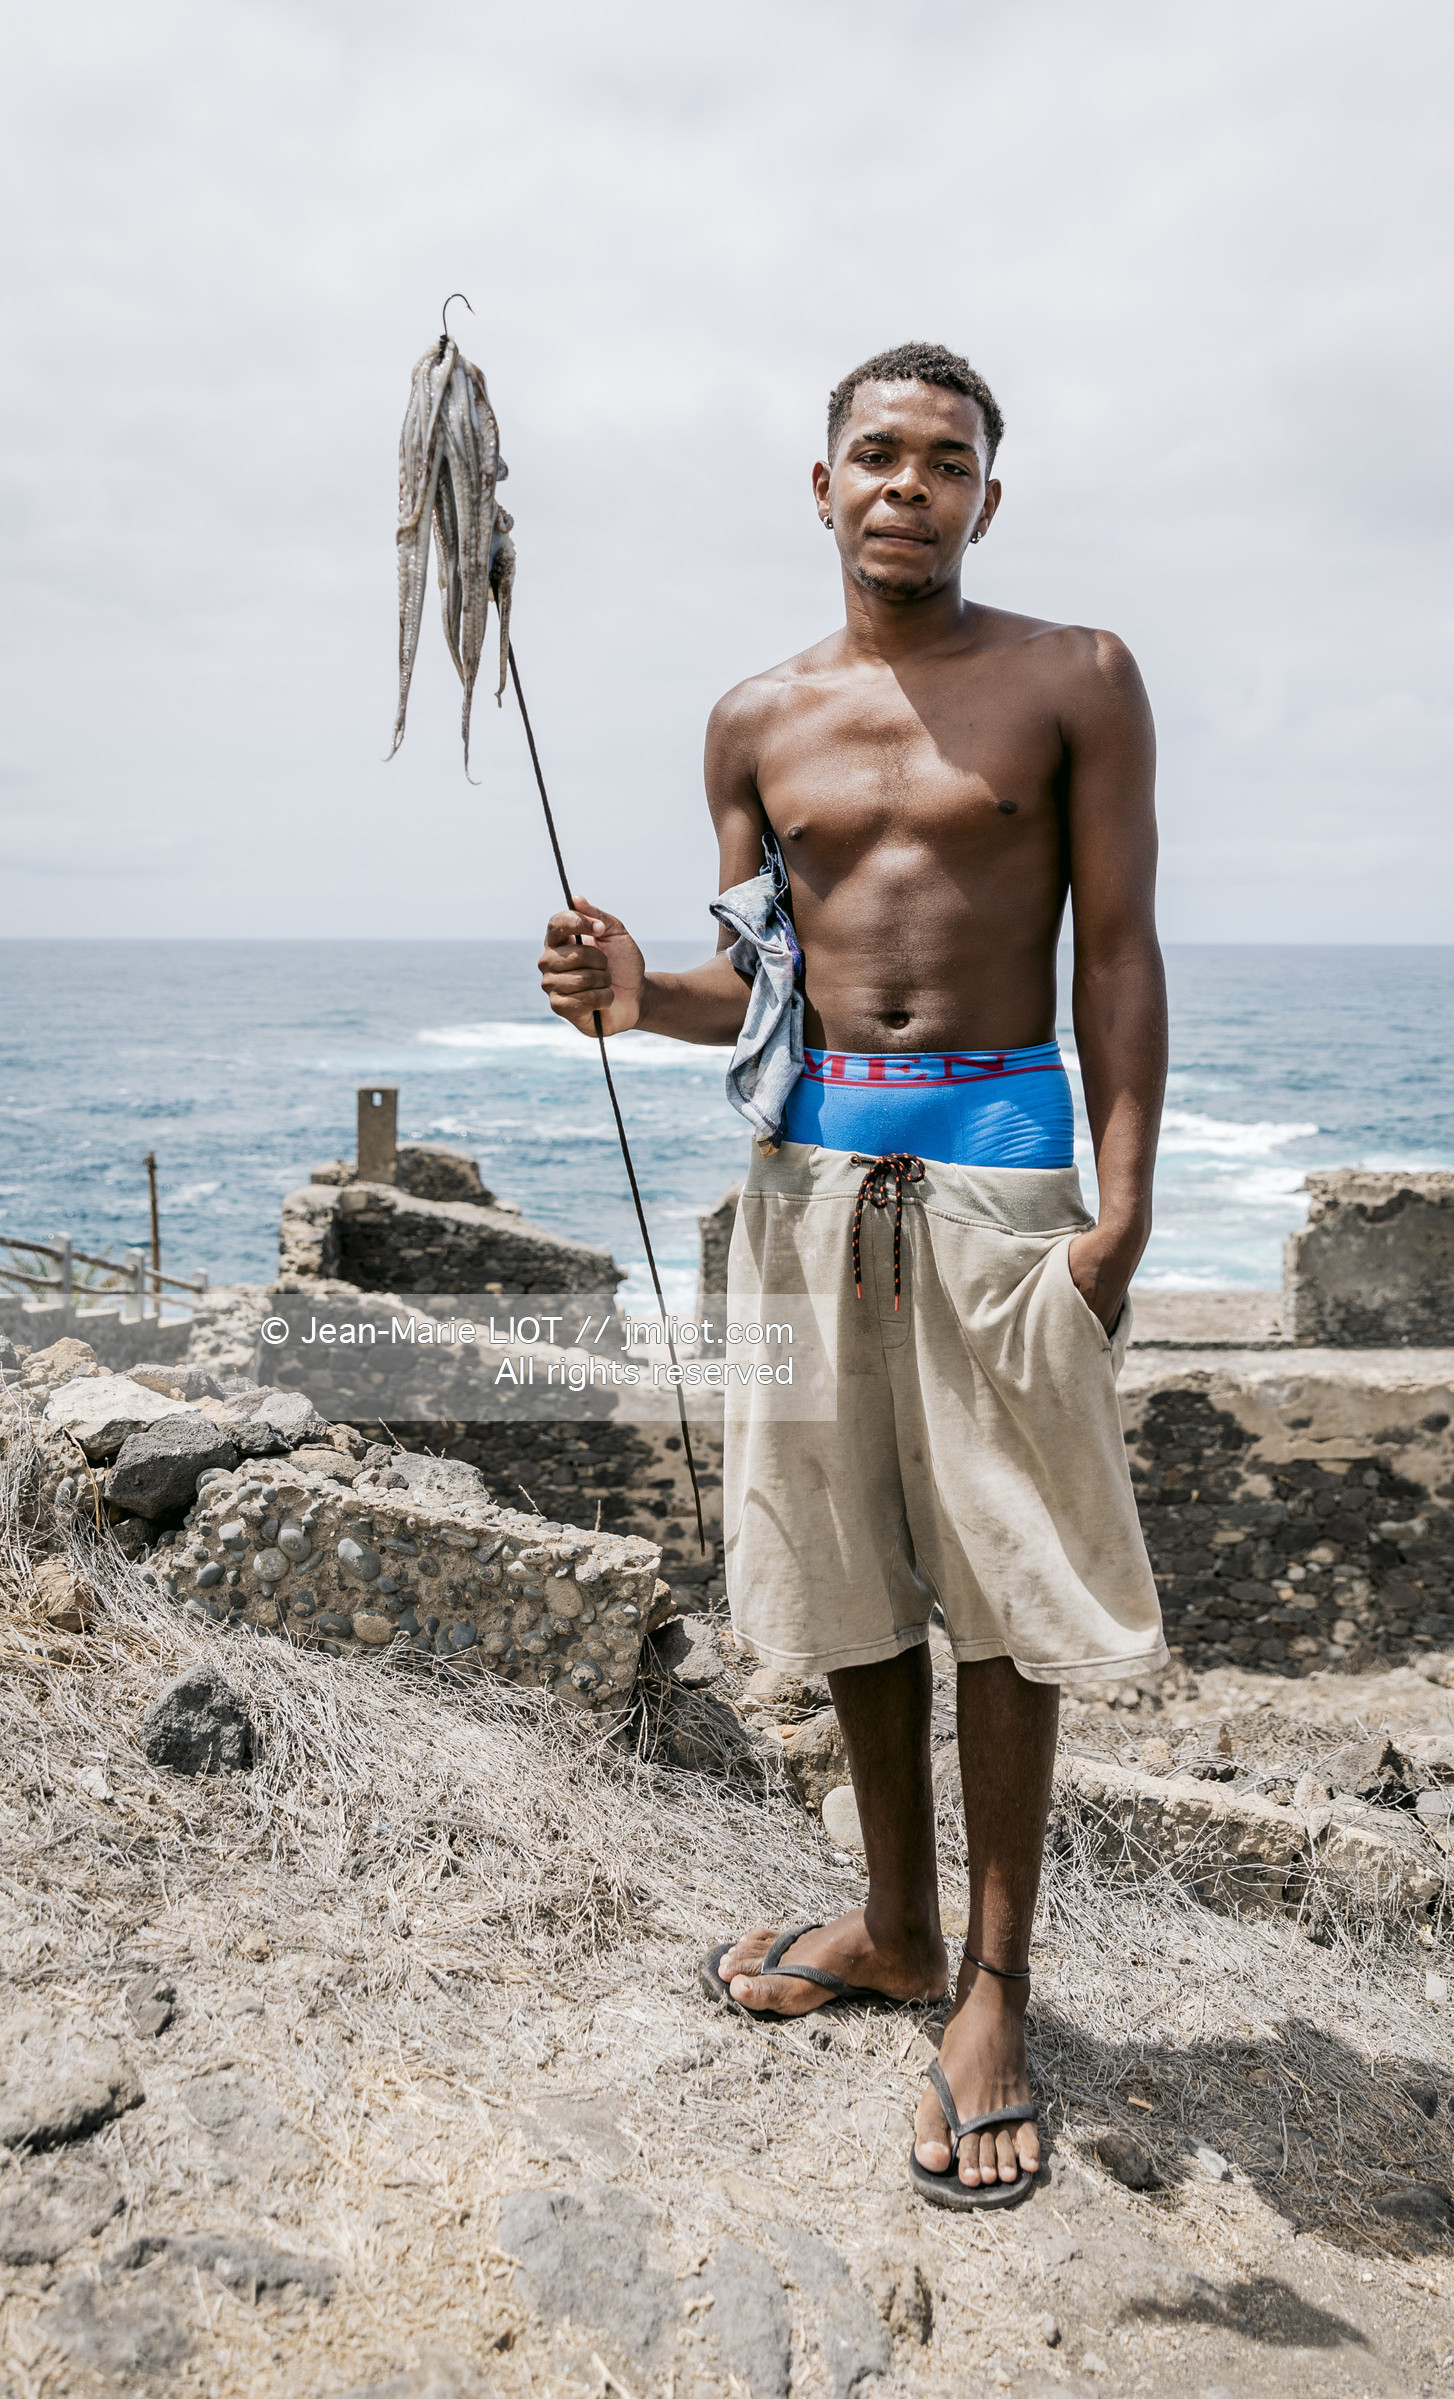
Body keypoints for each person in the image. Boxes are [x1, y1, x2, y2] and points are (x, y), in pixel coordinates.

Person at [539, 340, 1167, 2210]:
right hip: (809, 1176)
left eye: (947, 459)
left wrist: (1120, 1206)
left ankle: (994, 1986)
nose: (909, 483)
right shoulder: (753, 721)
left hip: (999, 1177)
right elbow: (764, 995)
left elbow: (1119, 950)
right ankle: (893, 1924)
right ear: (822, 490)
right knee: (853, 1564)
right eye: (875, 456)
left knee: (1003, 1581)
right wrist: (635, 992)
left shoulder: (1077, 681)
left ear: (988, 492)